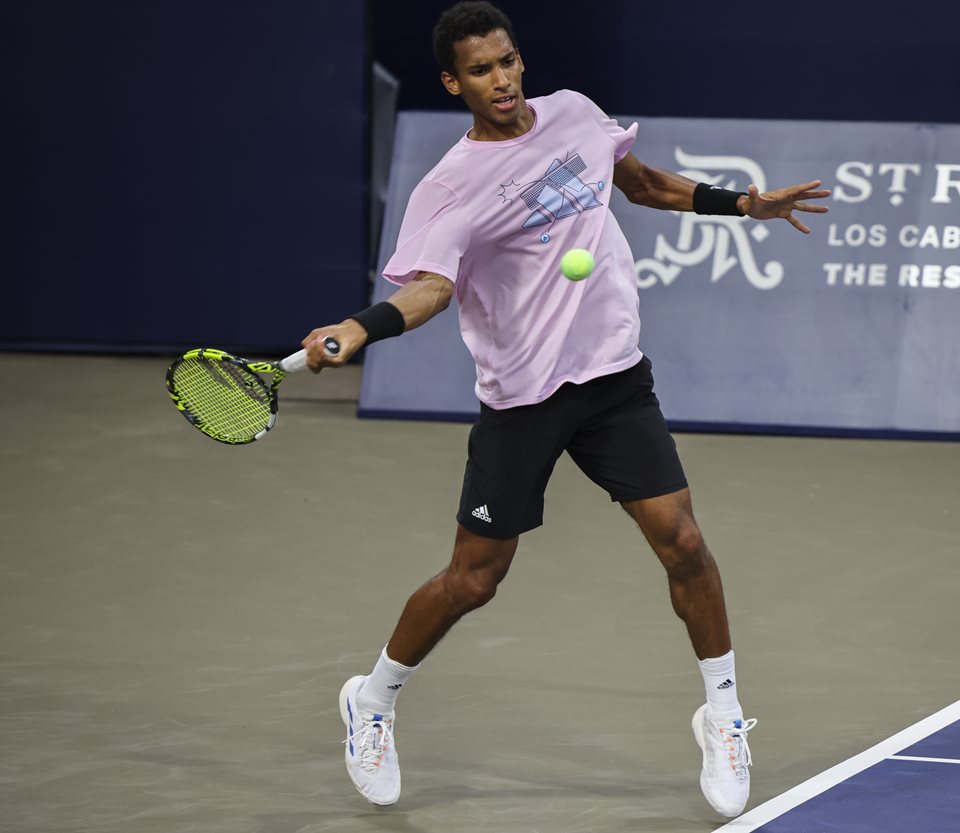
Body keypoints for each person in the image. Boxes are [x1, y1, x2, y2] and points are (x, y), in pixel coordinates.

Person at [301, 0, 829, 819]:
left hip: (613, 378)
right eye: (481, 70)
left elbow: (640, 183)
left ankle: (722, 712)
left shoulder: (576, 114)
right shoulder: (449, 188)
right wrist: (362, 327)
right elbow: (431, 288)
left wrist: (739, 205)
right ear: (454, 83)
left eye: (507, 61)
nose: (502, 80)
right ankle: (372, 697)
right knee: (475, 578)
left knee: (684, 542)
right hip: (523, 399)